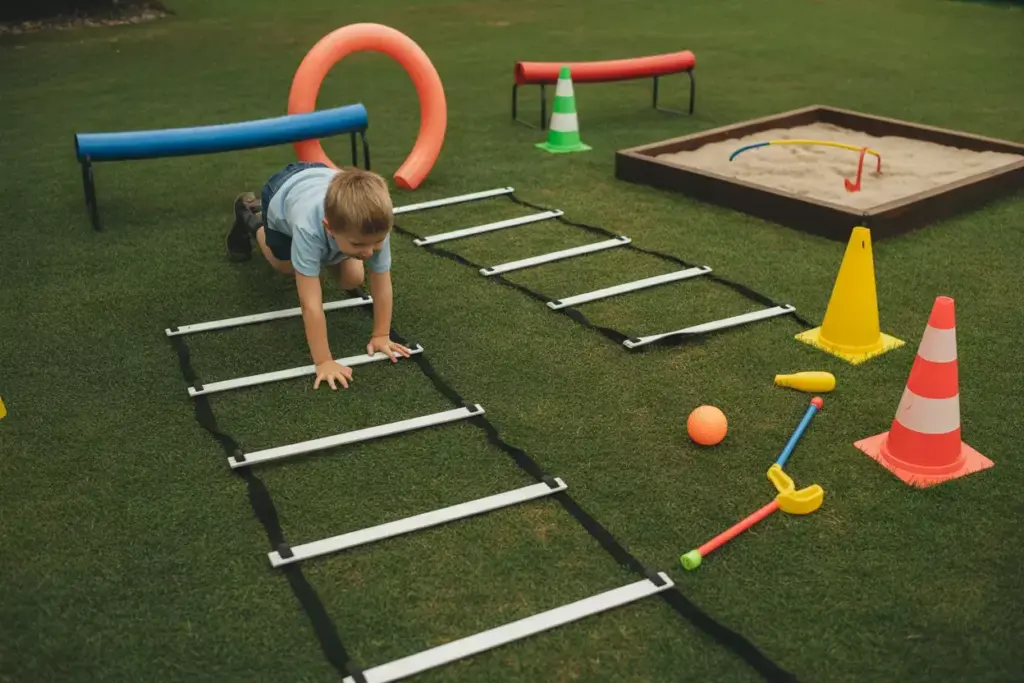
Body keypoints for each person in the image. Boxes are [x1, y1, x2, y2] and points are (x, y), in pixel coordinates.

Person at [226, 162, 411, 390]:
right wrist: (323, 361)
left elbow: (382, 282)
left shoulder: (375, 224)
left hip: (325, 181)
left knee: (352, 279)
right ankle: (251, 216)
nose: (369, 251)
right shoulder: (307, 227)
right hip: (282, 193)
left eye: (377, 242)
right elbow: (310, 304)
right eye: (358, 244)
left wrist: (381, 334)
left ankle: (326, 252)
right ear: (329, 227)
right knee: (287, 268)